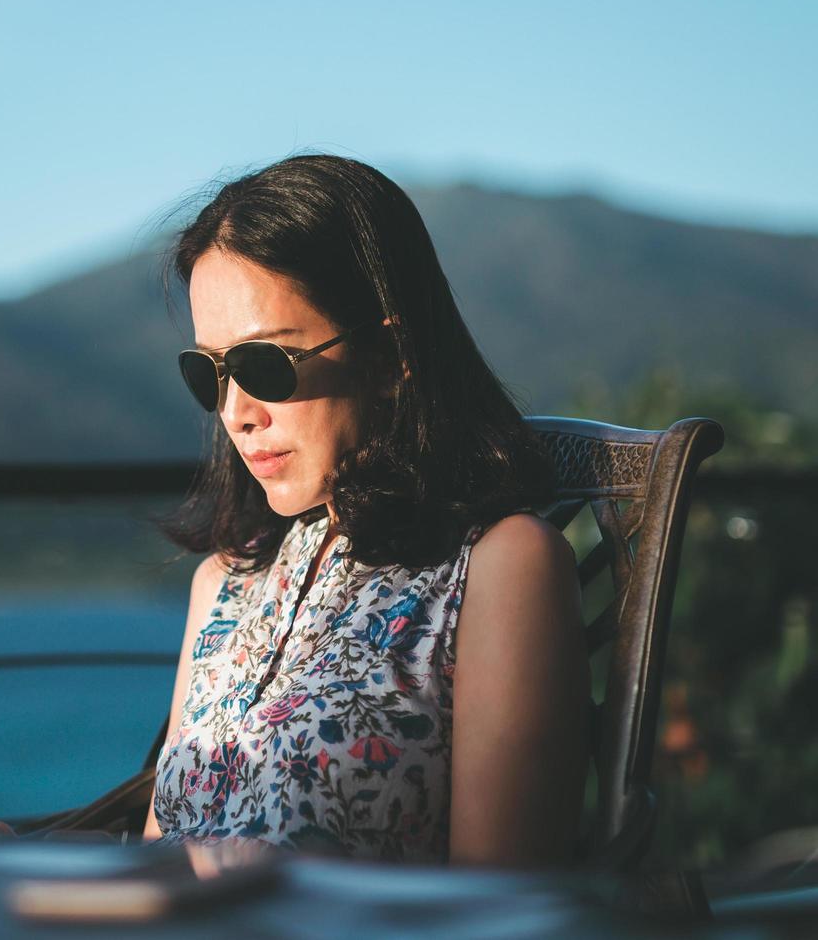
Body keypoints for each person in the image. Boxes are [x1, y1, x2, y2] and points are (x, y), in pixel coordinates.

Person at [142, 154, 589, 866]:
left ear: (389, 355)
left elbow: (498, 896)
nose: (235, 413)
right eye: (212, 373)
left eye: (266, 366)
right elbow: (157, 862)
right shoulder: (223, 585)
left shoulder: (499, 570)